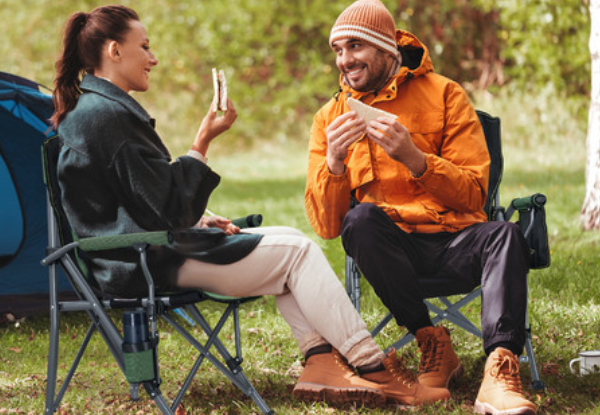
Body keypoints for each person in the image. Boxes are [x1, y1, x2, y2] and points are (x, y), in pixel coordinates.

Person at [51, 5, 451, 409]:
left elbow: (135, 199)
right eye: (145, 47)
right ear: (115, 51)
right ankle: (373, 368)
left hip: (138, 253)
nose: (153, 58)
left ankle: (320, 361)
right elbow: (168, 208)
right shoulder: (107, 117)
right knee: (298, 253)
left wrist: (202, 218)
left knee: (291, 241)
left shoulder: (99, 110)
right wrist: (201, 144)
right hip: (144, 263)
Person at [304, 1, 538, 414]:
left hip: (457, 241)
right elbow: (327, 226)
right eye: (337, 50)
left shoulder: (446, 94)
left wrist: (415, 159)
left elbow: (474, 194)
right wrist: (335, 165)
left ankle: (500, 370)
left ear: (387, 49)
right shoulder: (330, 117)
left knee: (505, 233)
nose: (344, 61)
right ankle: (429, 339)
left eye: (354, 47)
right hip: (394, 254)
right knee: (360, 220)